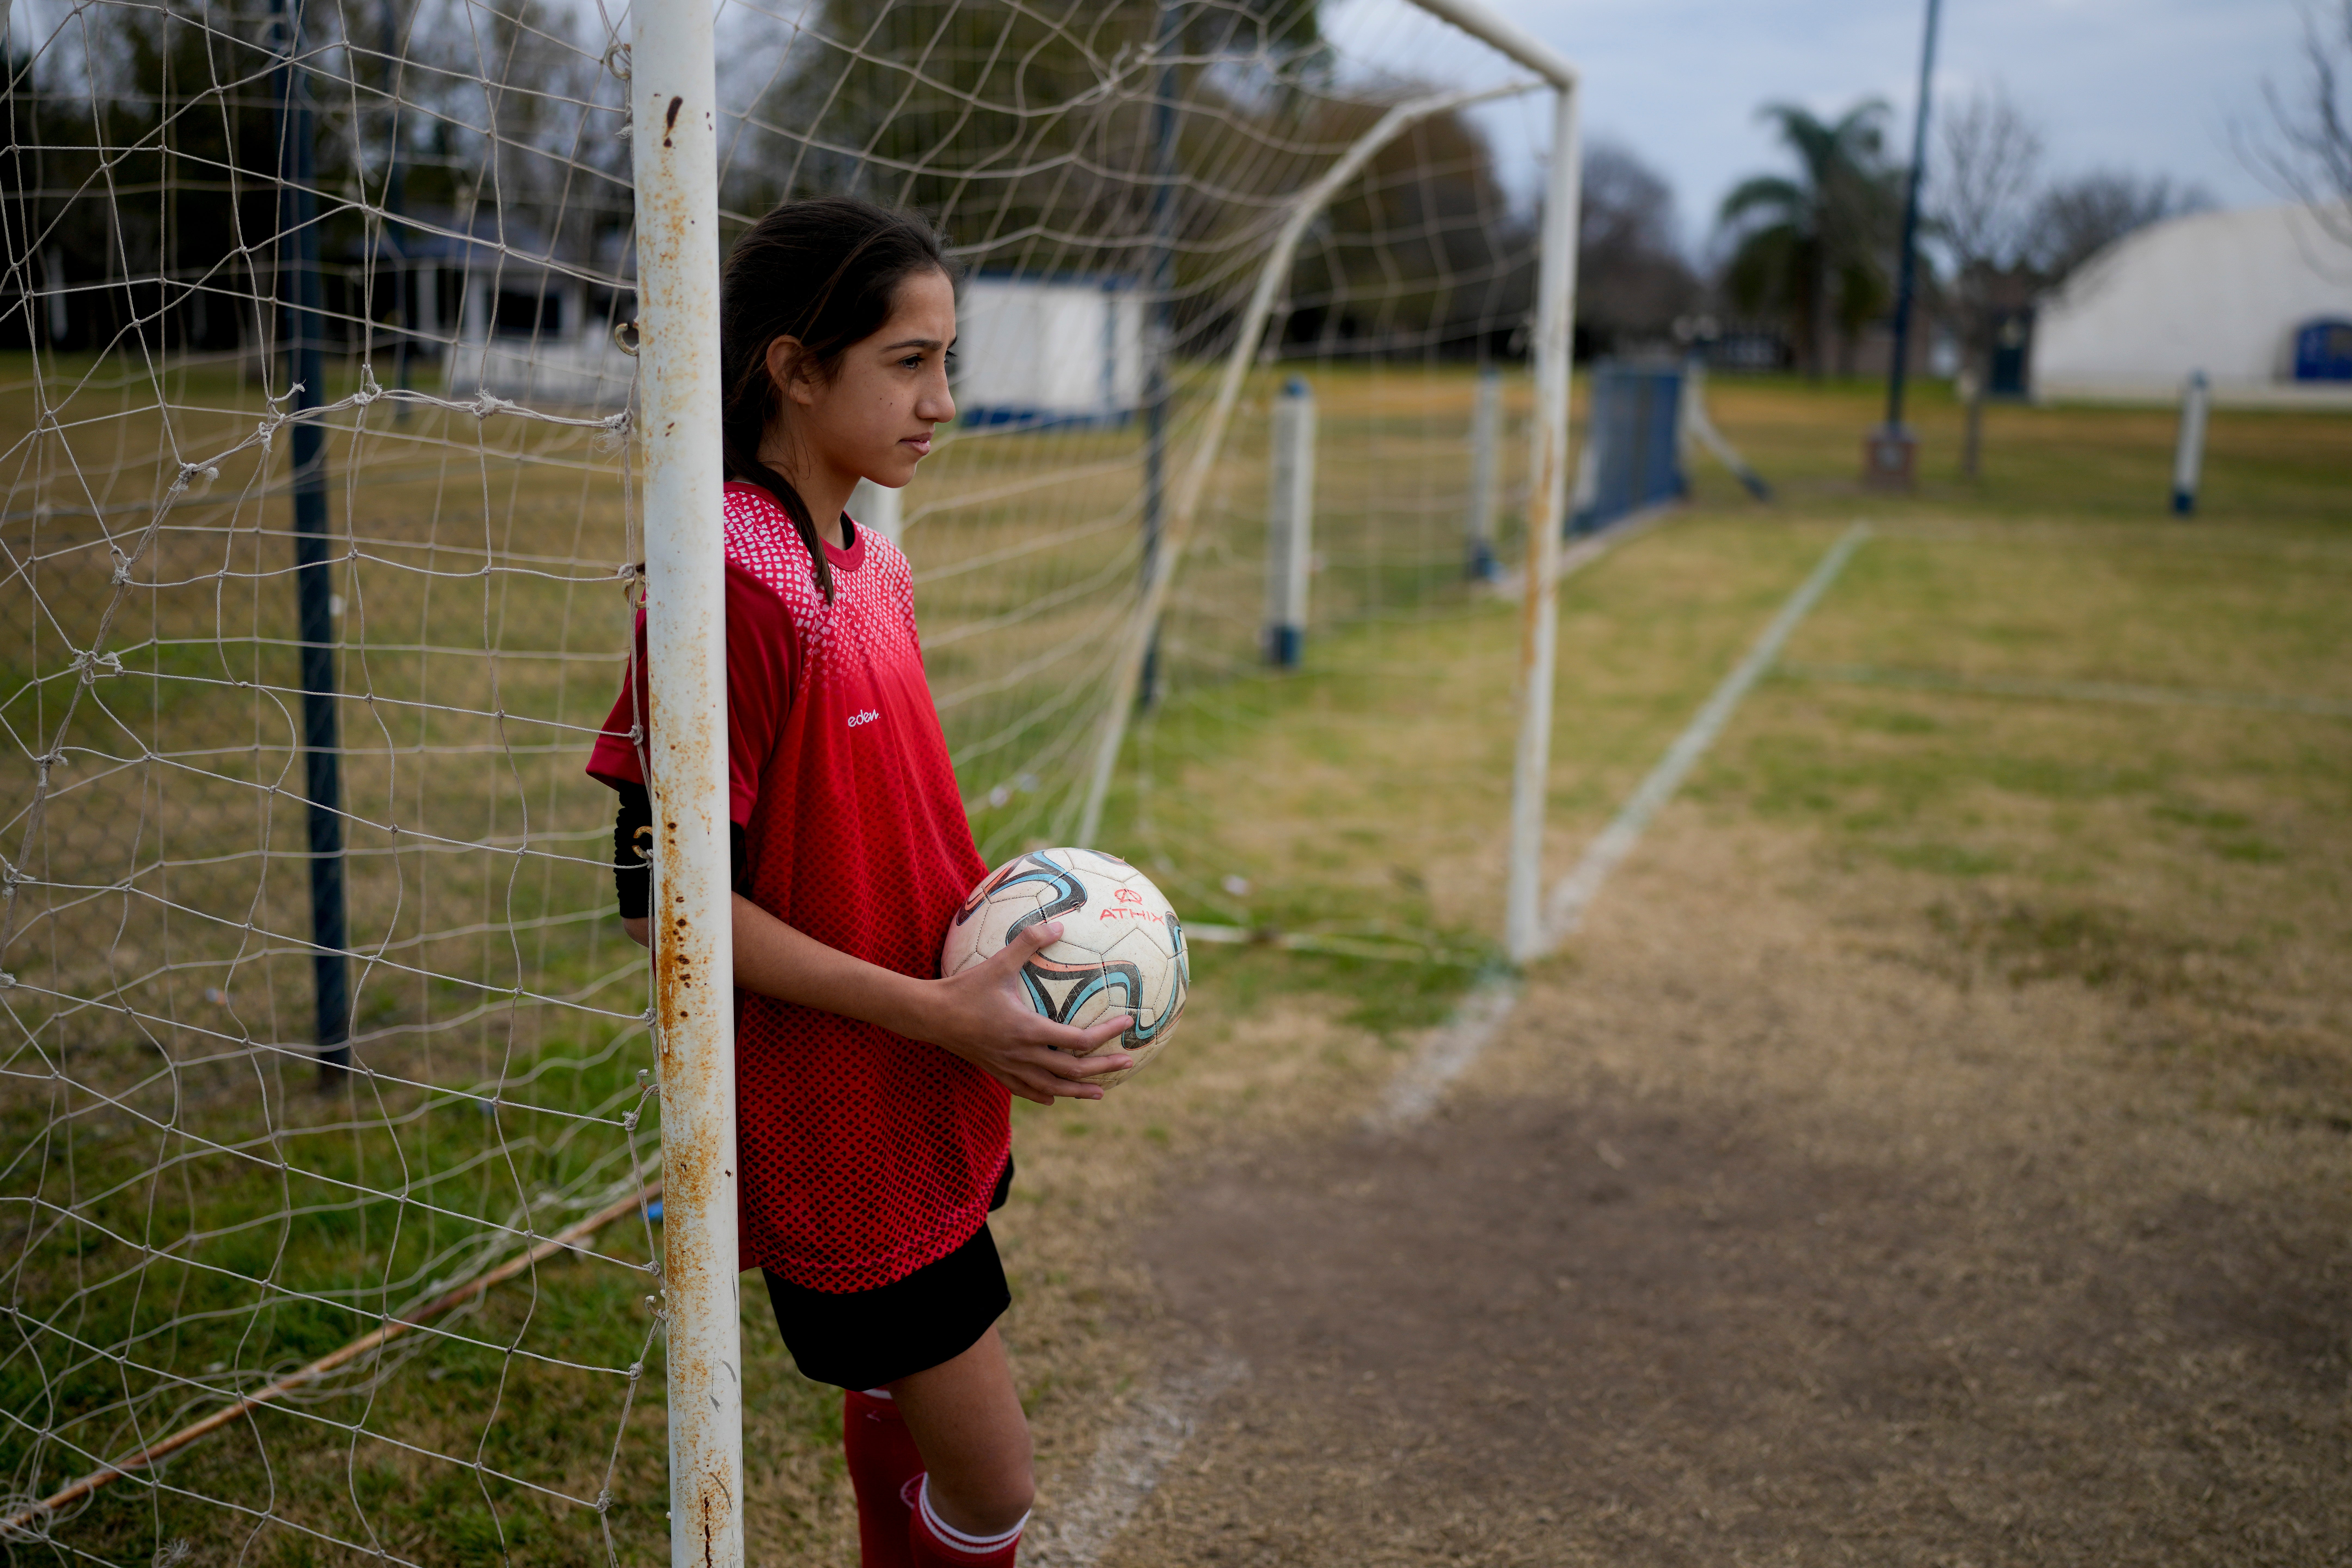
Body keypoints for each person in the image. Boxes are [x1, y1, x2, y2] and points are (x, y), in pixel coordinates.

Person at [586, 195, 1131, 1568]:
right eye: (909, 361)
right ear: (793, 365)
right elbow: (667, 907)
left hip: (921, 1079)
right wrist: (937, 1012)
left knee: (904, 1403)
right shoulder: (726, 583)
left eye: (950, 360)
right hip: (843, 1117)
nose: (944, 399)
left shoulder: (868, 559)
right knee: (996, 1492)